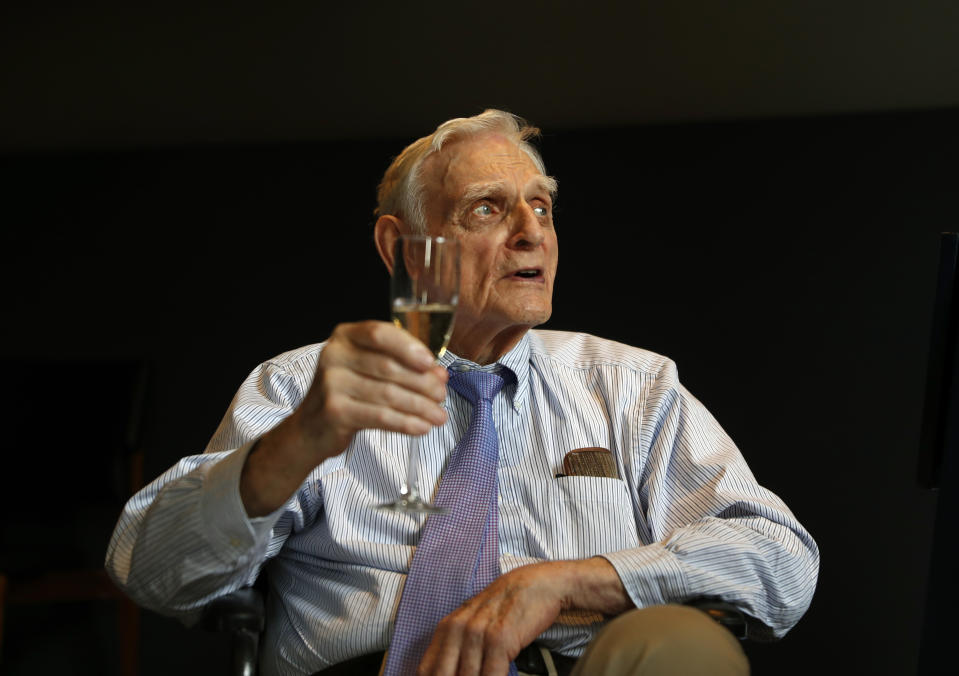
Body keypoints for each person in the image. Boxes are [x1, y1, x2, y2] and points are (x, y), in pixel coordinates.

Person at [106, 110, 819, 676]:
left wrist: (565, 583)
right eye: (486, 209)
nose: (529, 234)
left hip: (578, 666)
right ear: (403, 248)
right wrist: (295, 444)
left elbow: (779, 559)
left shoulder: (629, 387)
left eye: (542, 208)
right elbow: (152, 571)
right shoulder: (306, 387)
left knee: (679, 645)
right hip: (369, 667)